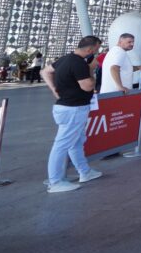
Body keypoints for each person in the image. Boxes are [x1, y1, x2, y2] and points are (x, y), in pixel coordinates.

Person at [43, 35, 104, 193]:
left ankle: (85, 172)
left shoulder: (64, 59)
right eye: (97, 48)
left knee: (76, 141)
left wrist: (54, 89)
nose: (97, 52)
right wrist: (91, 71)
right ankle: (55, 181)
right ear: (90, 49)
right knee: (62, 144)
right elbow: (87, 86)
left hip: (65, 106)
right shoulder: (78, 63)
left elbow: (46, 72)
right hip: (74, 108)